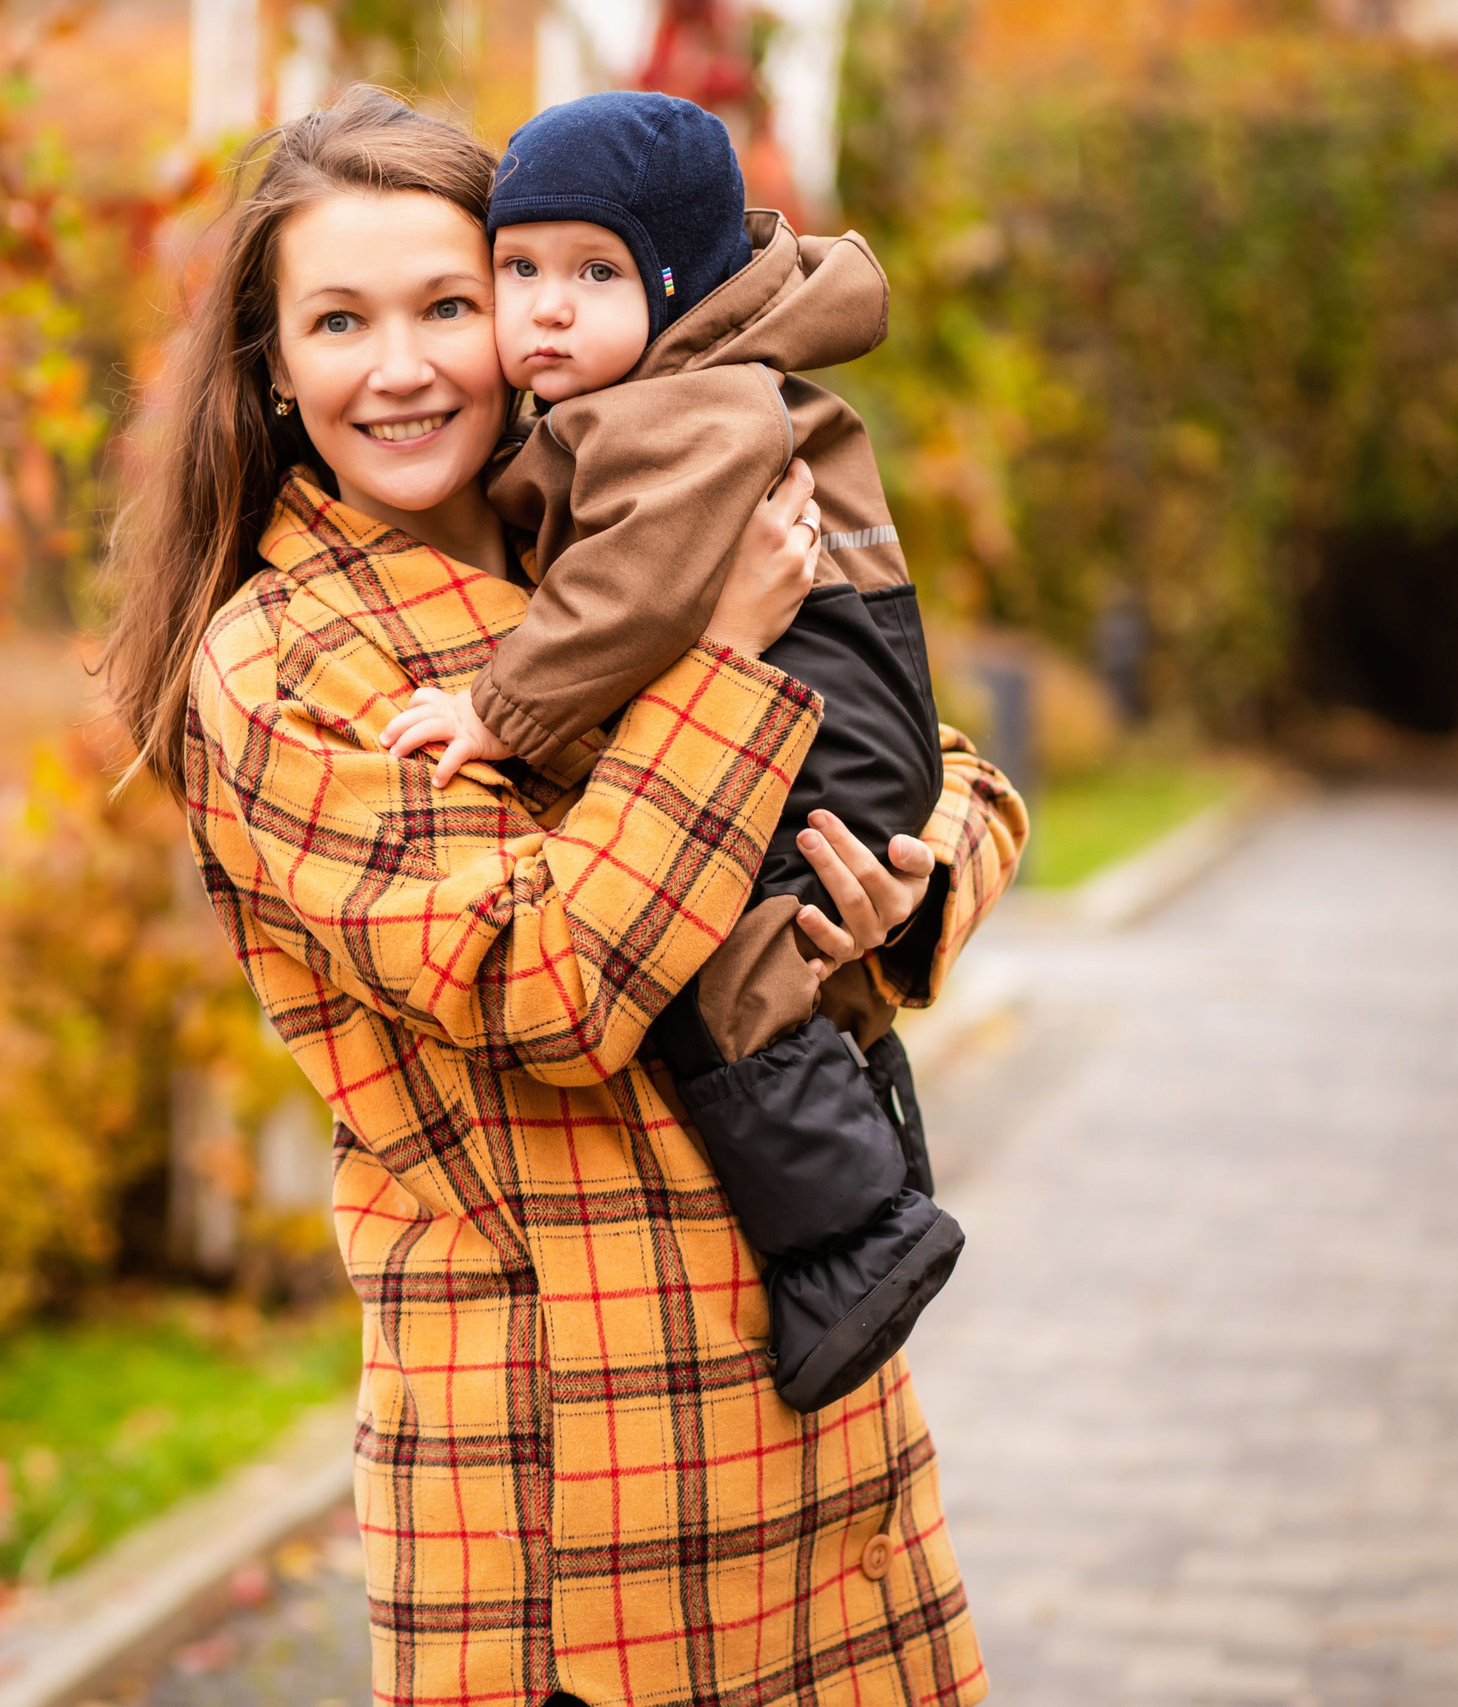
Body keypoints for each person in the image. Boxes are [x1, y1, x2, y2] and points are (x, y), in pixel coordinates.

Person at [105, 85, 1023, 1707]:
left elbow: (955, 768)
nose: (401, 366)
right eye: (338, 320)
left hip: (823, 1423)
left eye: (449, 303)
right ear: (274, 367)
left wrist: (902, 891)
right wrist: (724, 664)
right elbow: (545, 983)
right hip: (569, 1505)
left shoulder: (620, 505)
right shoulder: (286, 667)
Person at [377, 91, 959, 1413]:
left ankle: (854, 1242)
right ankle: (873, 1162)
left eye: (594, 274)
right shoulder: (661, 392)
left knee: (724, 970)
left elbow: (631, 594)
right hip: (837, 712)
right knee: (779, 957)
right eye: (516, 271)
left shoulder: (682, 411)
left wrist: (496, 712)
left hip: (830, 723)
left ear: (679, 287)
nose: (547, 311)